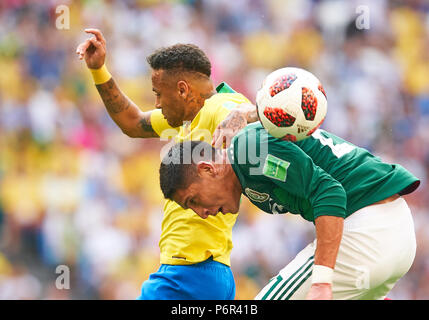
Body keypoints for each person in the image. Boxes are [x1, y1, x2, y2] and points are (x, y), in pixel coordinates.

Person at [76, 28, 258, 299]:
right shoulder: (187, 120)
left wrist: (244, 114)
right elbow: (132, 122)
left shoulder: (218, 107)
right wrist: (99, 70)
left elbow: (245, 111)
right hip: (202, 273)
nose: (157, 103)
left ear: (183, 90)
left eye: (159, 94)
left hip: (191, 273)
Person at [159, 122, 420, 300]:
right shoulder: (247, 161)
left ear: (207, 169)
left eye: (193, 200)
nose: (200, 213)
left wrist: (321, 281)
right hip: (393, 232)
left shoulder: (248, 151)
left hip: (369, 226)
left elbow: (330, 192)